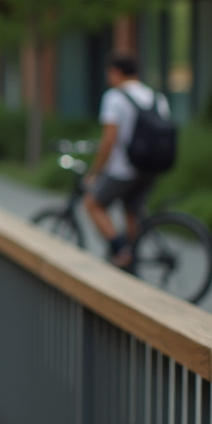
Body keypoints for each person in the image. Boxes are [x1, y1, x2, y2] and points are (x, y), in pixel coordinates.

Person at [83, 52, 171, 268]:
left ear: (115, 72)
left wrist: (95, 170)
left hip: (124, 168)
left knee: (93, 204)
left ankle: (121, 250)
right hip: (152, 167)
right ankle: (131, 260)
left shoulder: (114, 97)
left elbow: (109, 139)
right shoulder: (157, 97)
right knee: (132, 211)